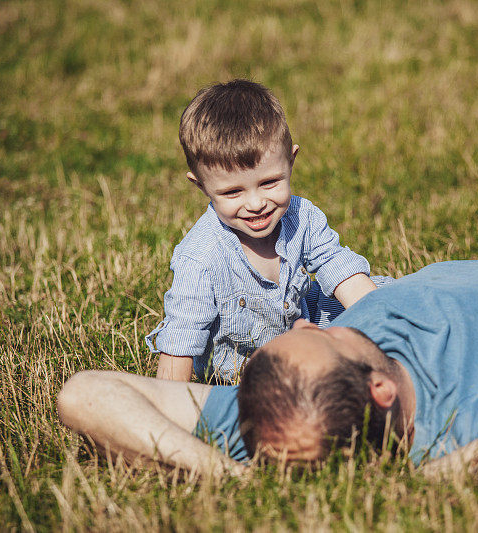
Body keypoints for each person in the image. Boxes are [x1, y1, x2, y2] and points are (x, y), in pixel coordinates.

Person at [58, 165, 478, 477]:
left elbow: (83, 391)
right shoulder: (454, 421)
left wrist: (227, 475)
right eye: (318, 338)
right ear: (380, 390)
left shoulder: (279, 407)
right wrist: (422, 475)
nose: (308, 324)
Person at [146, 80, 391, 383]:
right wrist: (169, 405)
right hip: (243, 369)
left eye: (269, 183)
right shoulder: (201, 258)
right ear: (201, 185)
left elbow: (341, 272)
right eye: (233, 192)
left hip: (303, 326)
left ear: (291, 161)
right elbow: (181, 341)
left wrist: (385, 325)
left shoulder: (303, 217)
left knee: (383, 294)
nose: (256, 203)